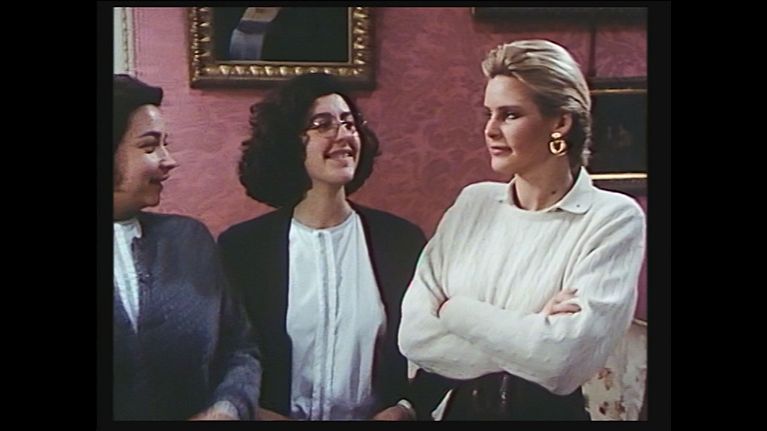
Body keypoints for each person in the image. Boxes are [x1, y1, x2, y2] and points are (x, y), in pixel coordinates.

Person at [398, 40, 647, 420]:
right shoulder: (473, 203)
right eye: (488, 114)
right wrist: (533, 326)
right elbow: (415, 337)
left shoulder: (612, 218)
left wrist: (454, 311)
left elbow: (561, 362)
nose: (490, 130)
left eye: (510, 115)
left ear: (560, 122)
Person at [218, 73, 444, 420]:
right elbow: (224, 355)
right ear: (288, 142)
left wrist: (405, 409)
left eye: (349, 123)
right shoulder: (243, 249)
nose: (343, 135)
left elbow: (439, 345)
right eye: (322, 124)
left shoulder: (401, 241)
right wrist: (254, 412)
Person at [112, 74, 262, 420]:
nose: (169, 160)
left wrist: (227, 408)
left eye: (165, 144)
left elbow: (240, 349)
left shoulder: (190, 240)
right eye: (149, 147)